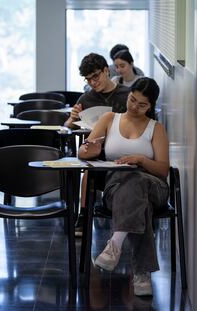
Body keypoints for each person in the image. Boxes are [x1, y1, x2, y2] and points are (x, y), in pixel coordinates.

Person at [78, 77, 169, 297]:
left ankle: (114, 245)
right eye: (132, 100)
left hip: (152, 185)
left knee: (137, 180)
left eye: (142, 104)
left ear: (151, 106)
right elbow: (83, 153)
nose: (134, 107)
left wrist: (140, 160)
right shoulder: (110, 119)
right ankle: (141, 274)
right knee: (140, 203)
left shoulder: (155, 128)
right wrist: (90, 149)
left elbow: (163, 170)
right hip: (115, 188)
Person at [65, 53, 130, 237]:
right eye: (88, 79)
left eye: (96, 76)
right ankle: (84, 215)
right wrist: (72, 118)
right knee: (88, 171)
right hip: (97, 154)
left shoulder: (126, 95)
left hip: (125, 150)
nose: (93, 82)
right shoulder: (85, 99)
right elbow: (66, 128)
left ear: (106, 71)